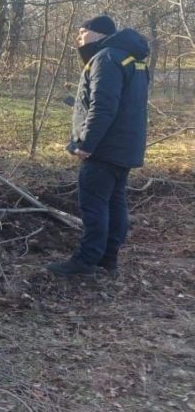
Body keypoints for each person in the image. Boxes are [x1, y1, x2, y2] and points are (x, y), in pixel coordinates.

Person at [47, 14, 150, 279]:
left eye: (83, 32)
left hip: (104, 149)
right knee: (114, 204)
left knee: (94, 205)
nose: (79, 38)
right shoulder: (133, 59)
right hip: (125, 148)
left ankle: (85, 261)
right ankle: (108, 258)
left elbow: (103, 106)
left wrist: (86, 143)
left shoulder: (106, 58)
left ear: (99, 33)